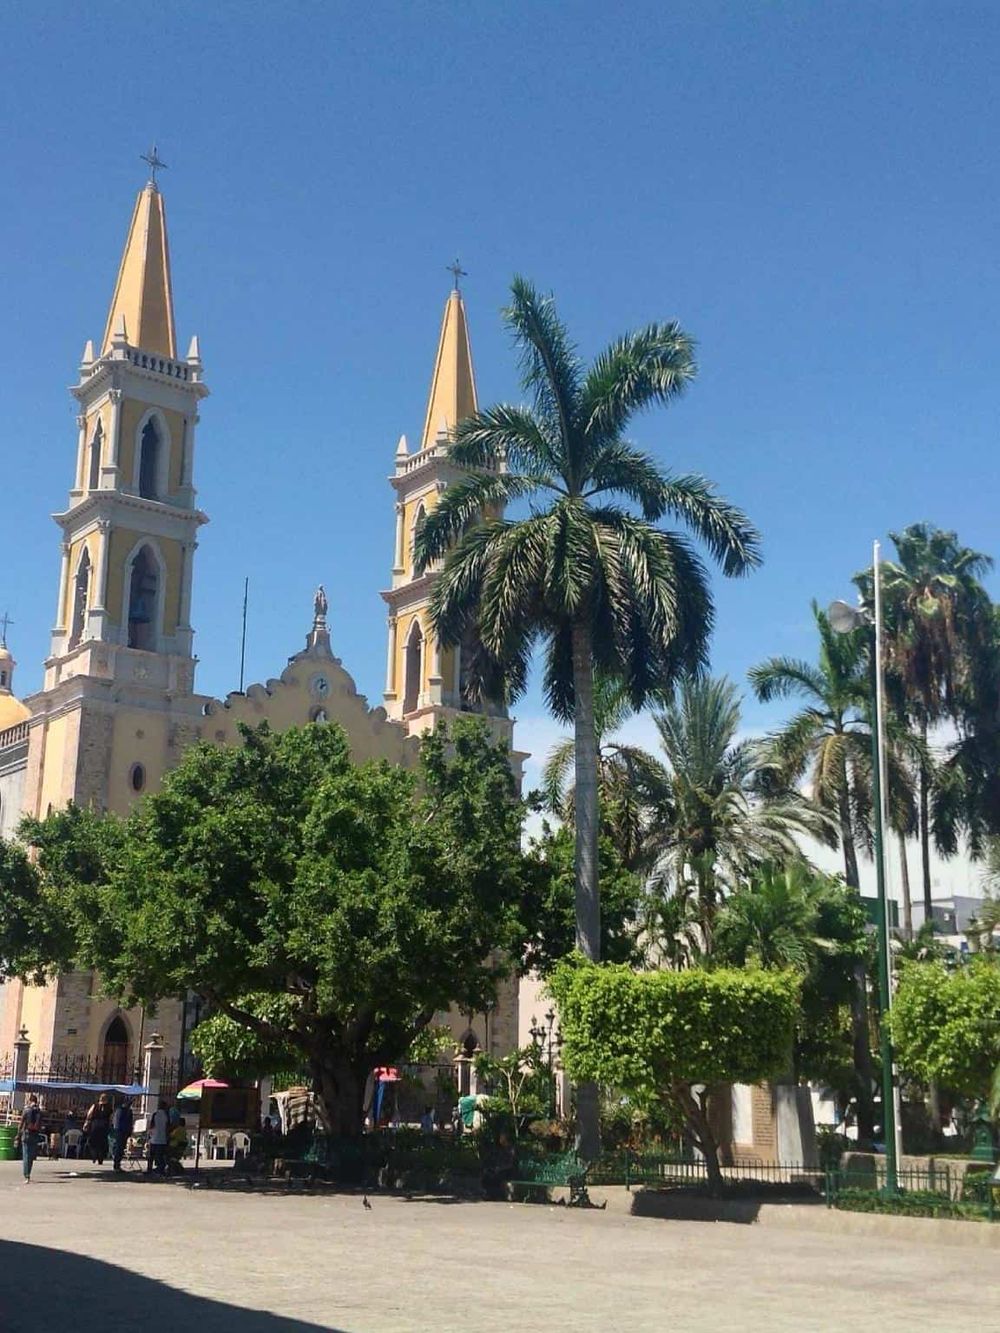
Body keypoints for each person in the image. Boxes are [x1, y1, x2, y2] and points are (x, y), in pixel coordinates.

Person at [17, 1096, 42, 1184]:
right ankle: (28, 1173)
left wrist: (17, 1135)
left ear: (30, 1100)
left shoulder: (26, 1110)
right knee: (31, 1156)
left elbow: (21, 1123)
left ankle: (27, 1175)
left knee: (26, 1155)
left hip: (27, 1134)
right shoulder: (39, 1111)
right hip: (35, 1135)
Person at [83, 1095, 111, 1166]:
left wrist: (87, 1122)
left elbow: (89, 1115)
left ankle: (94, 1155)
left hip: (95, 1125)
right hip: (104, 1126)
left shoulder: (95, 1106)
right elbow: (111, 1117)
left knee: (92, 1142)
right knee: (102, 1143)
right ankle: (100, 1158)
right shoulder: (109, 1107)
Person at [147, 1099, 170, 1176]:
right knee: (160, 1156)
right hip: (162, 1139)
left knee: (151, 1156)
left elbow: (151, 1126)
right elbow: (167, 1127)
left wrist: (149, 1135)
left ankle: (149, 1169)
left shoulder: (155, 1114)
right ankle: (160, 1170)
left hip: (154, 1138)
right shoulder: (166, 1115)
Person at [111, 1100, 134, 1172]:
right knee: (120, 1148)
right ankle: (117, 1165)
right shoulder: (126, 1111)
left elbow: (115, 1122)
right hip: (122, 1131)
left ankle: (117, 1164)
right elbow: (128, 1122)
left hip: (120, 1131)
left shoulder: (119, 1110)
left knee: (120, 1148)